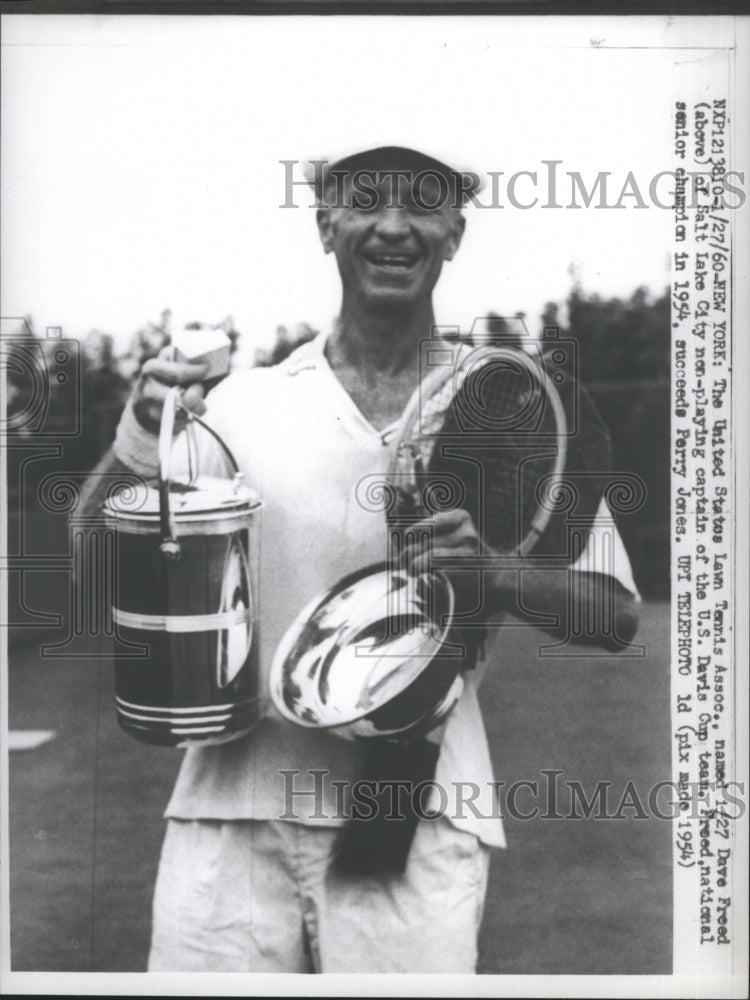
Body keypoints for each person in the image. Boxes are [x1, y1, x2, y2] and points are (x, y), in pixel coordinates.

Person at [110, 145, 640, 973]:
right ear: (326, 223)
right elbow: (100, 572)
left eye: (423, 204)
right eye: (365, 201)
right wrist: (143, 431)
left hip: (412, 809)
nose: (394, 227)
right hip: (231, 816)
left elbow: (612, 613)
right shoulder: (242, 406)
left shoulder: (505, 402)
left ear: (455, 231)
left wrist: (493, 574)